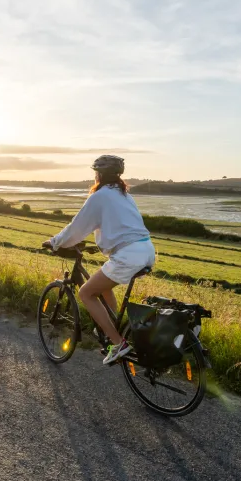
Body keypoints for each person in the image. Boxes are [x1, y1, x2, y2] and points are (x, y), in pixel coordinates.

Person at [43, 155, 155, 365]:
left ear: (100, 175)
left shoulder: (100, 196)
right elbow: (120, 226)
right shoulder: (124, 195)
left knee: (85, 292)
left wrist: (55, 242)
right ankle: (111, 326)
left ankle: (118, 343)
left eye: (96, 172)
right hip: (145, 250)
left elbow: (77, 227)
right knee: (103, 286)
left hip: (128, 255)